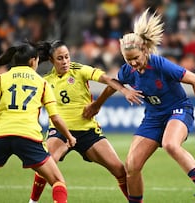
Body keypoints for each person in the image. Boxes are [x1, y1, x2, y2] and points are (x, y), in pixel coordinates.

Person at [83, 8, 195, 203]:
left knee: (170, 144)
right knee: (132, 165)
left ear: (144, 50)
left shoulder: (160, 64)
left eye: (136, 58)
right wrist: (98, 104)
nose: (133, 63)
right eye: (128, 60)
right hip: (153, 117)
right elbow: (114, 84)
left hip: (178, 110)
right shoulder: (128, 70)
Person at [0, 42, 76, 203]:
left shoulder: (0, 79)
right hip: (28, 136)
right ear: (32, 61)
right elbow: (55, 118)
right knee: (58, 181)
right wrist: (69, 137)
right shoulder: (42, 83)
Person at [28, 40, 143, 203]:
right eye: (60, 58)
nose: (65, 61)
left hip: (87, 131)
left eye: (67, 57)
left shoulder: (79, 70)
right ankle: (33, 202)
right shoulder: (45, 81)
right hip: (61, 132)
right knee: (46, 164)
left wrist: (124, 90)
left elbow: (106, 79)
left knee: (119, 170)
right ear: (52, 60)